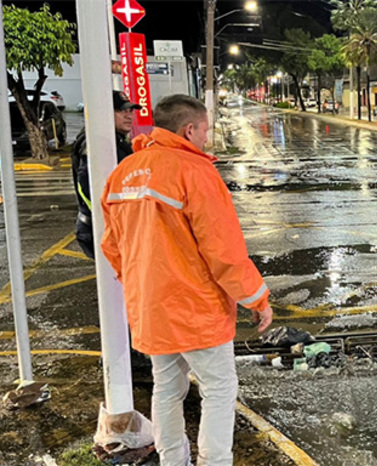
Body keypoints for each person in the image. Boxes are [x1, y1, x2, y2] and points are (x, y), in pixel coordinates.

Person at [100, 94, 274, 465]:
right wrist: (256, 298)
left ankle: (173, 460)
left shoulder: (124, 172)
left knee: (166, 388)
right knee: (219, 389)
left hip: (150, 307)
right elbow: (223, 250)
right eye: (205, 130)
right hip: (196, 309)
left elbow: (112, 246)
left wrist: (139, 283)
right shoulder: (195, 172)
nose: (206, 138)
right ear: (189, 129)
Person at [71, 91, 140, 258]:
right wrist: (110, 219)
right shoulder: (97, 144)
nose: (128, 116)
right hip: (101, 228)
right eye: (121, 111)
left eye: (130, 111)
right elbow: (88, 189)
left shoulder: (114, 140)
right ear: (104, 112)